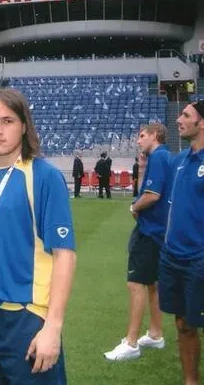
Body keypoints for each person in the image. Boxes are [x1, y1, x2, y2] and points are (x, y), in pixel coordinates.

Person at [0, 88, 76, 384]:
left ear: (24, 126)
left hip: (24, 320)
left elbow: (65, 255)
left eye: (8, 121)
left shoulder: (43, 176)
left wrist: (52, 326)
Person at [104, 123, 171, 361]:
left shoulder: (161, 157)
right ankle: (155, 333)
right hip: (154, 229)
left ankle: (131, 342)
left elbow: (152, 195)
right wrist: (142, 167)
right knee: (152, 283)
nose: (138, 140)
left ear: (155, 135)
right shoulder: (157, 158)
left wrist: (134, 207)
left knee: (135, 283)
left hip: (150, 230)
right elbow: (146, 188)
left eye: (142, 136)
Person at [159, 100, 204, 385]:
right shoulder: (181, 160)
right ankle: (191, 381)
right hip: (173, 256)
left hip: (200, 257)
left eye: (186, 115)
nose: (178, 120)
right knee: (183, 323)